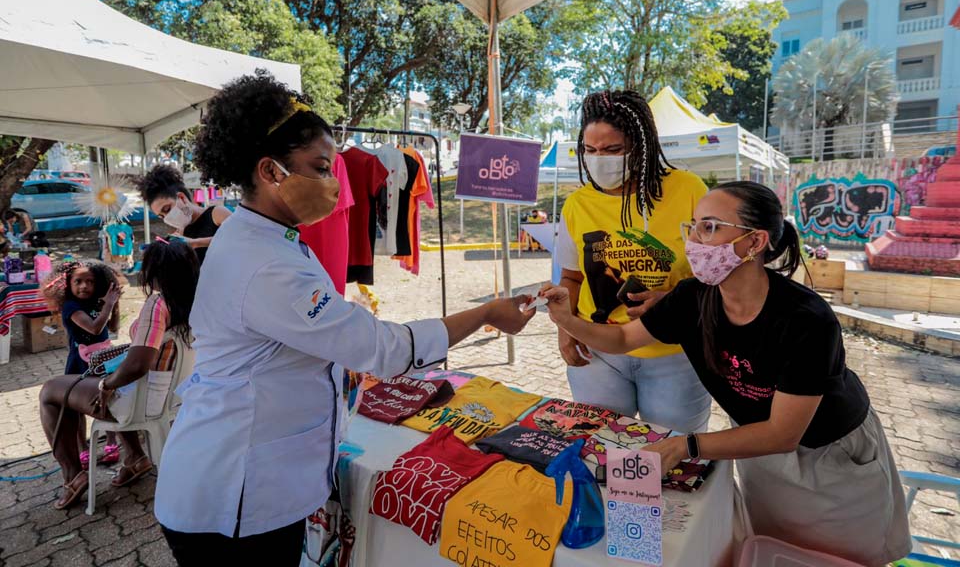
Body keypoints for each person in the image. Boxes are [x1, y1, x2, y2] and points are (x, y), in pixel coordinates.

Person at [153, 73, 535, 565]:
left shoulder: (267, 237)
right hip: (234, 497)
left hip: (245, 480)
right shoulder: (265, 260)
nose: (334, 183)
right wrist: (485, 313)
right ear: (270, 171)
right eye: (320, 167)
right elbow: (384, 349)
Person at [541, 181, 910, 566]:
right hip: (758, 449)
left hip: (830, 460)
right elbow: (620, 339)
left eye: (711, 227)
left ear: (754, 242)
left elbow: (783, 434)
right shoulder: (692, 297)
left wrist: (685, 446)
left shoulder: (806, 321)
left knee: (836, 558)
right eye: (694, 226)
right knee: (770, 549)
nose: (694, 241)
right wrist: (567, 319)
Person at [555, 89, 711, 433]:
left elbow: (719, 276)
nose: (600, 160)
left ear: (642, 147)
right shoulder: (577, 205)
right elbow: (570, 277)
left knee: (676, 453)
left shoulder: (689, 191)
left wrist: (674, 301)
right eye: (590, 150)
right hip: (597, 353)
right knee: (604, 446)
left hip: (675, 354)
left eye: (613, 150)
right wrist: (565, 329)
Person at [38, 239, 200, 509]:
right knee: (90, 381)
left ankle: (72, 475)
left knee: (51, 390)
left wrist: (107, 384)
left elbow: (138, 364)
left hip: (142, 401)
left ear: (153, 273)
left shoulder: (158, 304)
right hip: (171, 396)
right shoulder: (197, 300)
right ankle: (136, 457)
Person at [41, 260, 123, 480]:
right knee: (76, 409)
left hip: (104, 359)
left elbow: (110, 328)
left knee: (107, 400)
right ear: (68, 284)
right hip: (81, 362)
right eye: (78, 281)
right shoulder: (70, 306)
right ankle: (82, 449)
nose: (84, 286)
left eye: (90, 281)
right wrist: (109, 304)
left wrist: (110, 304)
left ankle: (112, 443)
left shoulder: (98, 301)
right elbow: (95, 328)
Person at [135, 164, 231, 265]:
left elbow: (242, 238)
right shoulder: (180, 234)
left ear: (181, 197)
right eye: (162, 216)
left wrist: (196, 243)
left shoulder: (216, 214)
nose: (167, 218)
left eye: (167, 209)